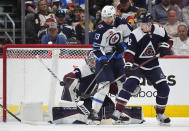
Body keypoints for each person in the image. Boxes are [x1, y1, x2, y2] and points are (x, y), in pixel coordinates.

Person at [112, 12, 173, 125]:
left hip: (153, 64)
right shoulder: (135, 34)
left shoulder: (160, 29)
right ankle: (118, 110)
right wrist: (129, 64)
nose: (141, 26)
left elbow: (169, 40)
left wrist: (166, 47)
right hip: (137, 64)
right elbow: (130, 52)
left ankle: (160, 113)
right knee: (129, 85)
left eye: (143, 24)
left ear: (150, 23)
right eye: (140, 23)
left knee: (164, 88)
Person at [88, 5, 133, 125]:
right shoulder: (100, 29)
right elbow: (96, 49)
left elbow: (130, 39)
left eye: (109, 17)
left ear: (114, 15)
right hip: (105, 60)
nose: (106, 20)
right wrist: (102, 59)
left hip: (118, 60)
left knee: (122, 86)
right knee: (104, 86)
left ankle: (119, 113)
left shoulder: (122, 23)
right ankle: (94, 113)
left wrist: (122, 46)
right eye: (104, 17)